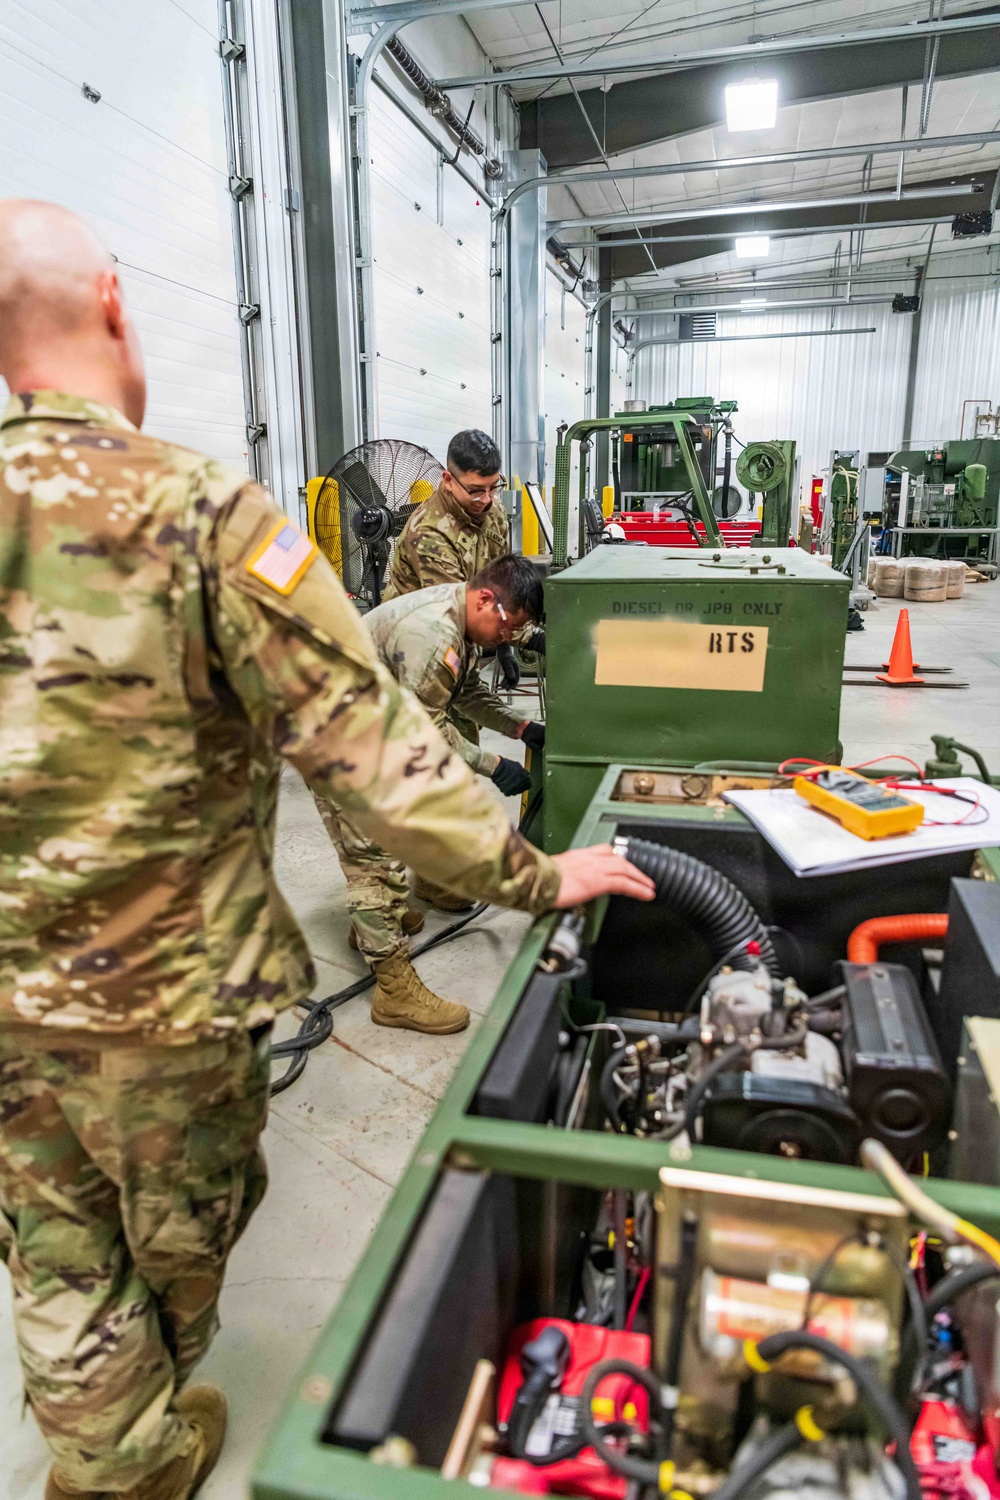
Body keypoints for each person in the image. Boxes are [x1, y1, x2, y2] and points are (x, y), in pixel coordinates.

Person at [0, 198, 655, 1500]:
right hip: (163, 999)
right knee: (179, 1231)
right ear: (118, 309)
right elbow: (368, 741)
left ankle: (95, 1450)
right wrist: (532, 872)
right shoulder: (203, 515)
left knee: (55, 1240)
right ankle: (123, 1457)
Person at [317, 555, 547, 1033]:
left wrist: (518, 725)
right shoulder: (431, 632)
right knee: (372, 860)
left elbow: (459, 693)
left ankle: (375, 923)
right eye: (508, 629)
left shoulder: (462, 621)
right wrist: (493, 764)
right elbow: (427, 728)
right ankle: (394, 992)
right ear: (487, 599)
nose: (507, 641)